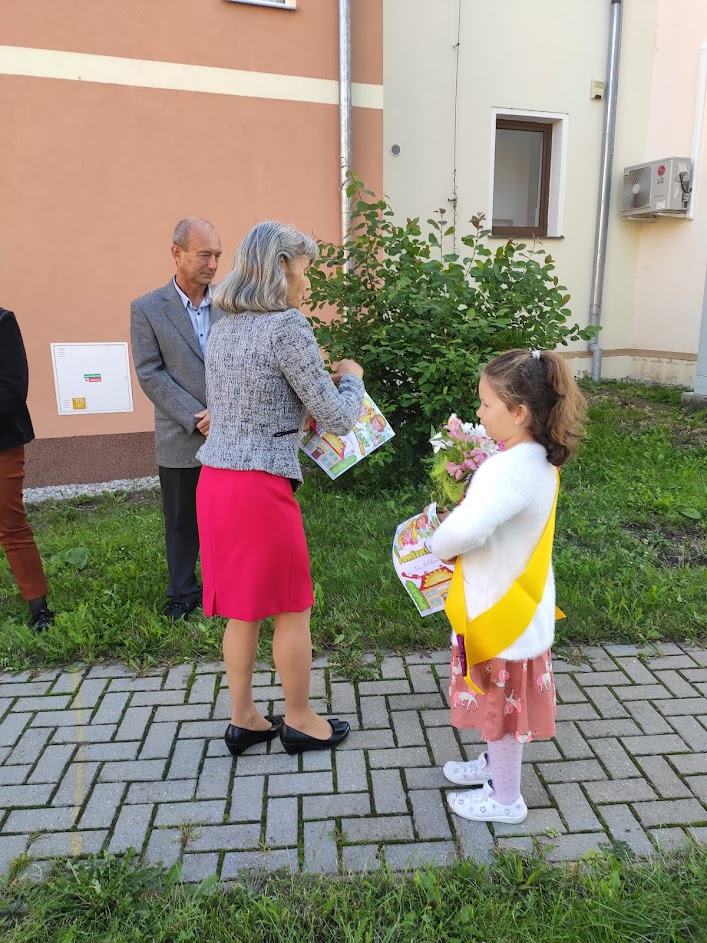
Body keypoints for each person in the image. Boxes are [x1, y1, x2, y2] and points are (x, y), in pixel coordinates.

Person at [196, 221, 365, 757]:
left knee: (242, 609)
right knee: (292, 606)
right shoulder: (287, 326)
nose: (308, 284)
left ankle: (244, 719)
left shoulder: (223, 327)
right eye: (305, 271)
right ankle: (299, 719)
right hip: (260, 489)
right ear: (281, 266)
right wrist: (352, 377)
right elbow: (338, 418)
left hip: (215, 483)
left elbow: (252, 400)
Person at [430, 349, 587, 824]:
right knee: (498, 703)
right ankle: (493, 766)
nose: (479, 413)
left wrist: (438, 541)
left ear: (518, 413)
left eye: (486, 404)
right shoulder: (536, 460)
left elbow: (463, 532)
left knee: (500, 706)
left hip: (500, 617)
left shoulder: (508, 469)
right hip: (520, 608)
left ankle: (505, 799)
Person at [130, 218, 224, 620]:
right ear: (177, 253)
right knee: (182, 519)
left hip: (230, 432)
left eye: (217, 255)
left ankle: (224, 588)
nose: (213, 264)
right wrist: (195, 415)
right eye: (204, 255)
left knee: (226, 517)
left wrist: (223, 412)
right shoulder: (147, 309)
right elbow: (150, 372)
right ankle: (183, 593)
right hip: (180, 434)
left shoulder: (232, 304)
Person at [0, 307, 53, 631]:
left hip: (2, 442)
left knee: (10, 525)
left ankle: (39, 608)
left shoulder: (2, 321)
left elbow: (12, 389)